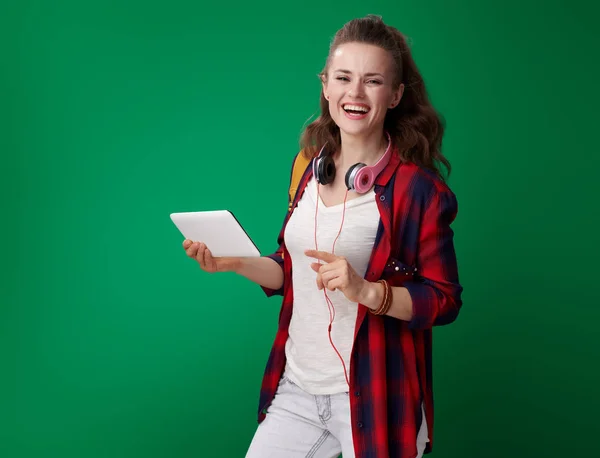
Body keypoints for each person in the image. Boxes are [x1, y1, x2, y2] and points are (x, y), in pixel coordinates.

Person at [182, 14, 462, 458]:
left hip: (374, 394)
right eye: (343, 78)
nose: (355, 93)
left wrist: (369, 291)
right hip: (298, 387)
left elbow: (444, 300)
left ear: (394, 96)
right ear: (326, 86)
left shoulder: (418, 191)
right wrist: (233, 262)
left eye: (372, 81)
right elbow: (290, 268)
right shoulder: (308, 167)